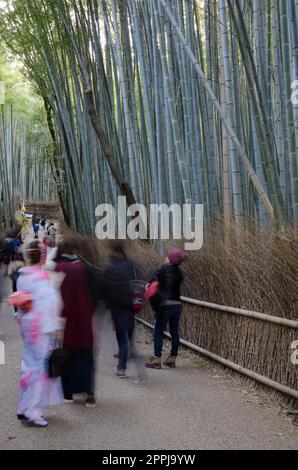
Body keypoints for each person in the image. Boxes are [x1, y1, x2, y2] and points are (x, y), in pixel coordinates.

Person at [9, 240, 63, 427]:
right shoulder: (41, 278)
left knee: (28, 366)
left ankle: (23, 407)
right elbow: (48, 304)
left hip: (27, 325)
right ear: (41, 257)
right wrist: (55, 327)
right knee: (39, 370)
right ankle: (32, 410)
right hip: (39, 327)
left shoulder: (22, 275)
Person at [47, 242, 100, 409]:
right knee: (86, 357)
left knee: (67, 356)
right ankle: (89, 394)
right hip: (84, 320)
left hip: (65, 321)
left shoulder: (57, 270)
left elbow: (52, 298)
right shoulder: (87, 269)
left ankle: (68, 393)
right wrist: (90, 311)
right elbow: (96, 294)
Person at [105, 242, 146, 382]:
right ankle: (127, 356)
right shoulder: (131, 265)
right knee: (128, 338)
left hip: (117, 308)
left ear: (116, 252)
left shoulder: (111, 266)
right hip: (130, 306)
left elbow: (107, 288)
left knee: (122, 339)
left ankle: (121, 367)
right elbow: (140, 282)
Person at [145, 249, 187, 370]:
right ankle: (172, 359)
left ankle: (156, 359)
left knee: (158, 331)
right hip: (176, 304)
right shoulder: (180, 273)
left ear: (170, 259)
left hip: (164, 304)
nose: (165, 258)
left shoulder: (163, 269)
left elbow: (152, 281)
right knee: (174, 331)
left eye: (167, 256)